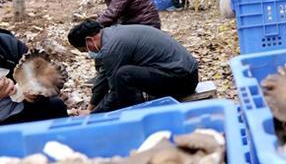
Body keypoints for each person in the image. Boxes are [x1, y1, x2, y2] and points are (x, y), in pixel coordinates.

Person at [67, 21, 198, 113]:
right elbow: (104, 74)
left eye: (85, 49)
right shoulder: (111, 34)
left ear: (89, 40)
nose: (89, 53)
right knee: (122, 75)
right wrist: (91, 106)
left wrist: (94, 115)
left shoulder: (112, 47)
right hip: (186, 73)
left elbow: (114, 92)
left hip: (183, 80)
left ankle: (135, 115)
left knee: (124, 75)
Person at [1, 29, 68, 124]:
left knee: (56, 105)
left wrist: (35, 95)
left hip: (21, 108)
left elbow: (39, 75)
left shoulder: (7, 45)